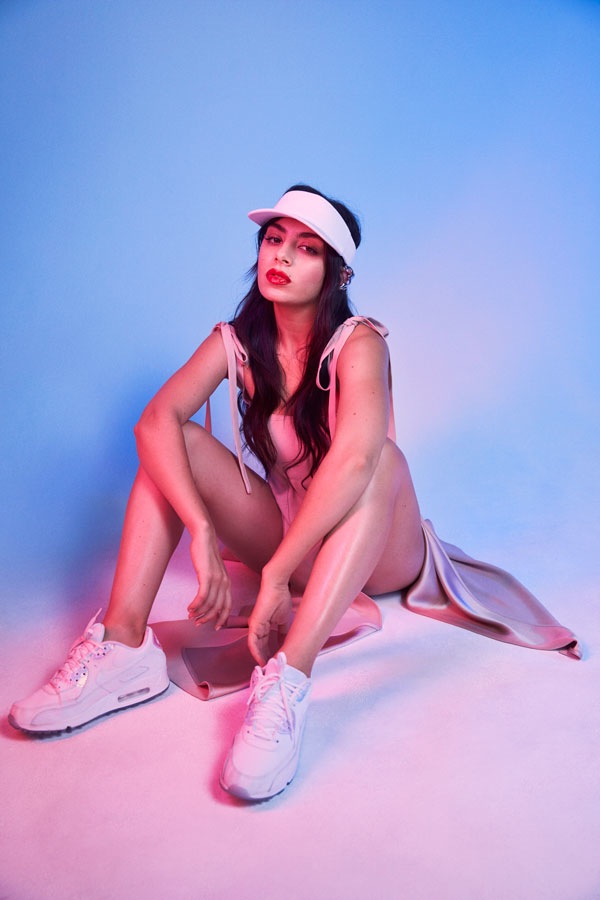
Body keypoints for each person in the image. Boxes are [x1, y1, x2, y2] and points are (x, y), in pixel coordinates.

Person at [9, 184, 580, 801]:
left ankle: (288, 680)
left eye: (306, 248)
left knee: (380, 458)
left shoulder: (358, 342)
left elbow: (357, 460)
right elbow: (153, 422)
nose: (281, 256)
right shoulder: (237, 340)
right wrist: (202, 531)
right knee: (171, 443)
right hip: (293, 537)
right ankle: (123, 647)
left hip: (378, 549)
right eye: (273, 240)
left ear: (337, 274)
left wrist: (277, 574)